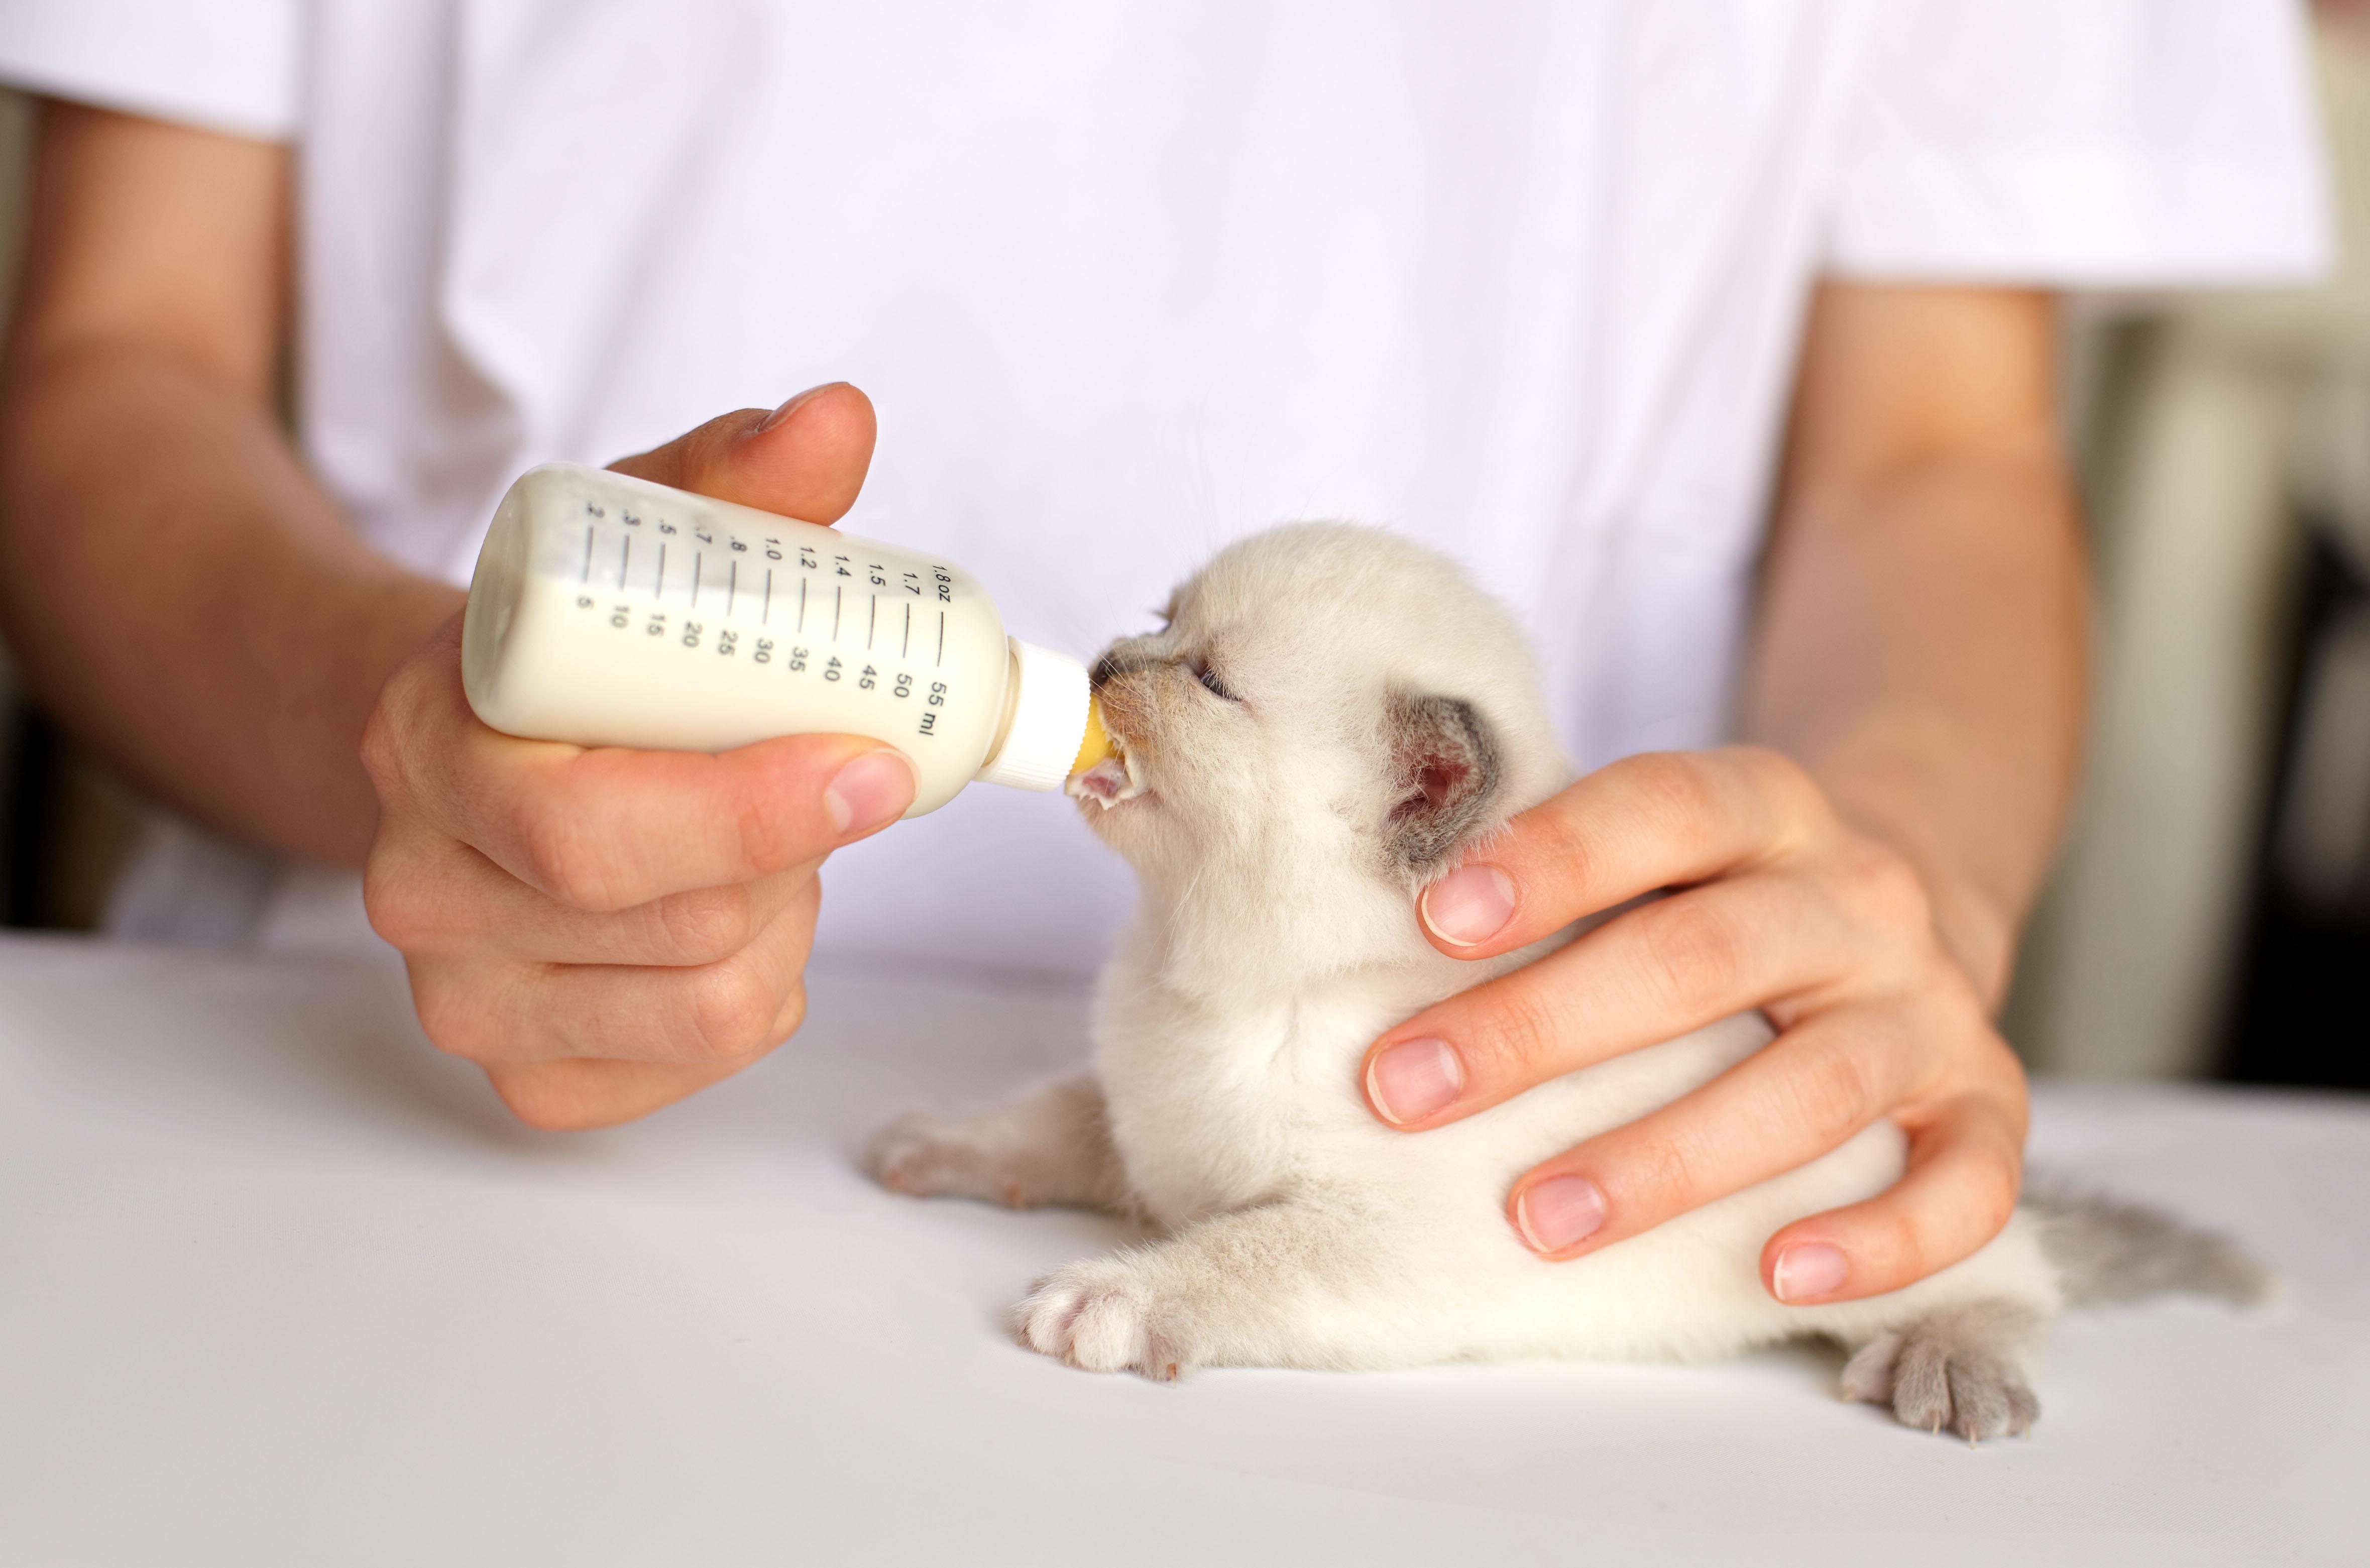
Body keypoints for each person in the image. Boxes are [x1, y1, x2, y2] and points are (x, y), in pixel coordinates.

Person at [0, 3, 2326, 1308]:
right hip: (364, 1121)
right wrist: (405, 724)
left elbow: (1933, 456)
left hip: (1525, 1222)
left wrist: (1868, 893)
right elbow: (110, 365)